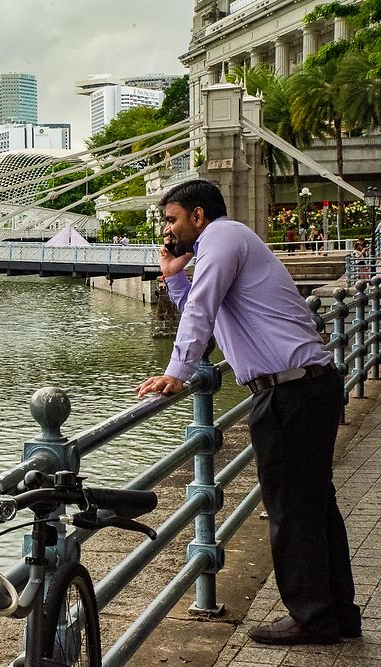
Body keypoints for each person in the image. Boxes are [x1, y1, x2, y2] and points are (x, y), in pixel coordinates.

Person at [136, 179, 359, 646]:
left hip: (291, 394)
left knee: (293, 512)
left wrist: (176, 371)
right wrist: (175, 273)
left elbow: (200, 309)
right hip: (305, 387)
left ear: (198, 216)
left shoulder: (221, 238)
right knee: (316, 508)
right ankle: (338, 614)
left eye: (172, 219)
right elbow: (208, 313)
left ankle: (313, 617)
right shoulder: (224, 244)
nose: (167, 230)